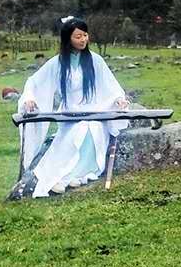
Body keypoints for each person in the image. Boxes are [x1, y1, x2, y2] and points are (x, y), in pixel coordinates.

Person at [17, 16, 130, 198]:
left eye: (85, 35)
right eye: (78, 36)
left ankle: (78, 174)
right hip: (69, 113)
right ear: (67, 39)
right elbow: (35, 82)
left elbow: (110, 84)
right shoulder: (58, 62)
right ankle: (63, 176)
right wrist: (29, 98)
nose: (83, 40)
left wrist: (118, 98)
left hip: (94, 110)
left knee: (91, 127)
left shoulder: (95, 60)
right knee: (76, 132)